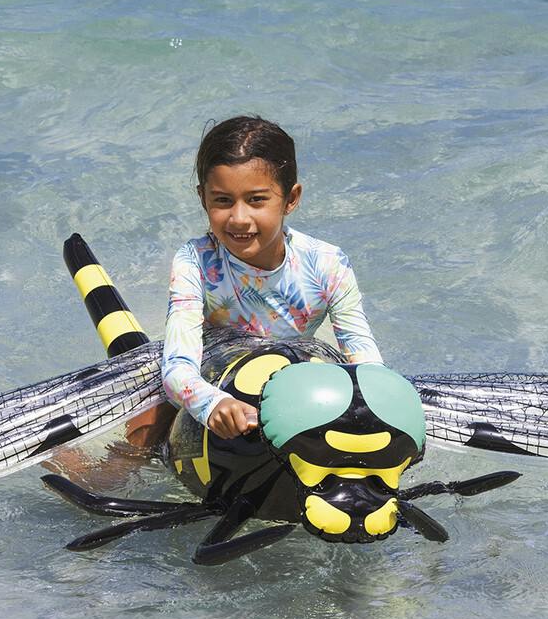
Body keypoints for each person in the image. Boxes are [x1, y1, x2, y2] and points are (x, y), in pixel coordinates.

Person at [161, 115, 383, 439]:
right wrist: (212, 403)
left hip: (294, 386)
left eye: (256, 200)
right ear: (202, 198)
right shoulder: (195, 261)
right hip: (215, 382)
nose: (239, 218)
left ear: (291, 199)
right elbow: (177, 370)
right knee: (144, 433)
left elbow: (366, 362)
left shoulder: (327, 265)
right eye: (222, 200)